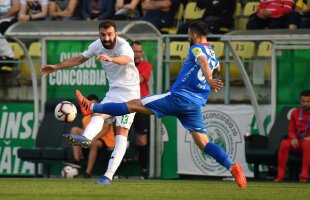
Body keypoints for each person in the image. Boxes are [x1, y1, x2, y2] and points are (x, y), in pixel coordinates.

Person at [75, 21, 247, 189]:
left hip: (178, 98)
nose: (188, 37)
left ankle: (92, 107)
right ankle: (232, 167)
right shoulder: (213, 54)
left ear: (193, 35)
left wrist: (208, 78)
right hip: (194, 105)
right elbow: (214, 67)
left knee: (133, 105)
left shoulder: (197, 48)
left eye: (188, 34)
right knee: (203, 143)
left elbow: (202, 61)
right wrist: (211, 76)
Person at [40, 20, 140, 184]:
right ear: (99, 34)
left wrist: (111, 59)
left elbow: (125, 59)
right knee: (98, 114)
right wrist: (57, 67)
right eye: (103, 34)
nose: (106, 38)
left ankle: (107, 176)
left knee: (121, 134)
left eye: (110, 34)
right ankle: (85, 138)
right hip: (114, 91)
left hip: (131, 94)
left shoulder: (123, 45)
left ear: (116, 34)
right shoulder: (97, 45)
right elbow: (79, 59)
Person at [69, 94, 115, 178]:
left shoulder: (104, 114)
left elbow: (105, 130)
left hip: (106, 140)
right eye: (90, 104)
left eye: (94, 104)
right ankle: (77, 159)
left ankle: (88, 172)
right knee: (74, 130)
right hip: (91, 139)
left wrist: (91, 138)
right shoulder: (86, 117)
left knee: (94, 142)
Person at [274, 89, 310, 183]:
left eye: (308, 101)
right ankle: (280, 176)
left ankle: (304, 177)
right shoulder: (295, 112)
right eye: (303, 101)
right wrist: (293, 137)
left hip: (308, 143)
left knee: (307, 145)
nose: (305, 104)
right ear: (300, 101)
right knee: (284, 144)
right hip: (297, 141)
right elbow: (291, 130)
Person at [130, 41, 152, 179]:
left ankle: (143, 171)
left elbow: (139, 79)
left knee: (142, 140)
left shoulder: (146, 65)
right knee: (121, 137)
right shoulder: (124, 64)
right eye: (135, 51)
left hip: (141, 105)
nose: (138, 54)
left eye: (139, 51)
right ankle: (115, 172)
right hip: (125, 104)